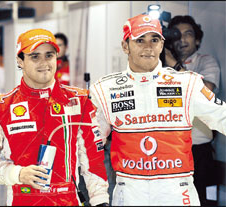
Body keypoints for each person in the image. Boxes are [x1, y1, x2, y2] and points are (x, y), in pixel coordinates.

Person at [89, 14, 226, 206]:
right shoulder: (105, 89)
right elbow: (89, 147)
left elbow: (223, 117)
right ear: (125, 46)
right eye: (140, 40)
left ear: (162, 44)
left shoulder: (187, 83)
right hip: (129, 194)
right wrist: (98, 197)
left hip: (178, 194)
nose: (148, 47)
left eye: (154, 40)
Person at [0, 28, 109, 206]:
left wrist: (100, 200)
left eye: (49, 55)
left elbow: (92, 159)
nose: (44, 63)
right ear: (20, 61)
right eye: (35, 56)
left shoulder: (79, 101)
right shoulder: (0, 106)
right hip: (21, 199)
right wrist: (17, 174)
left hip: (67, 200)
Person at [165, 15, 221, 206]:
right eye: (176, 34)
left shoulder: (207, 61)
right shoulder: (159, 68)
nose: (182, 39)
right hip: (167, 151)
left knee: (203, 201)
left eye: (188, 34)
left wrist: (174, 65)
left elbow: (204, 92)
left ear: (197, 39)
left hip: (199, 151)